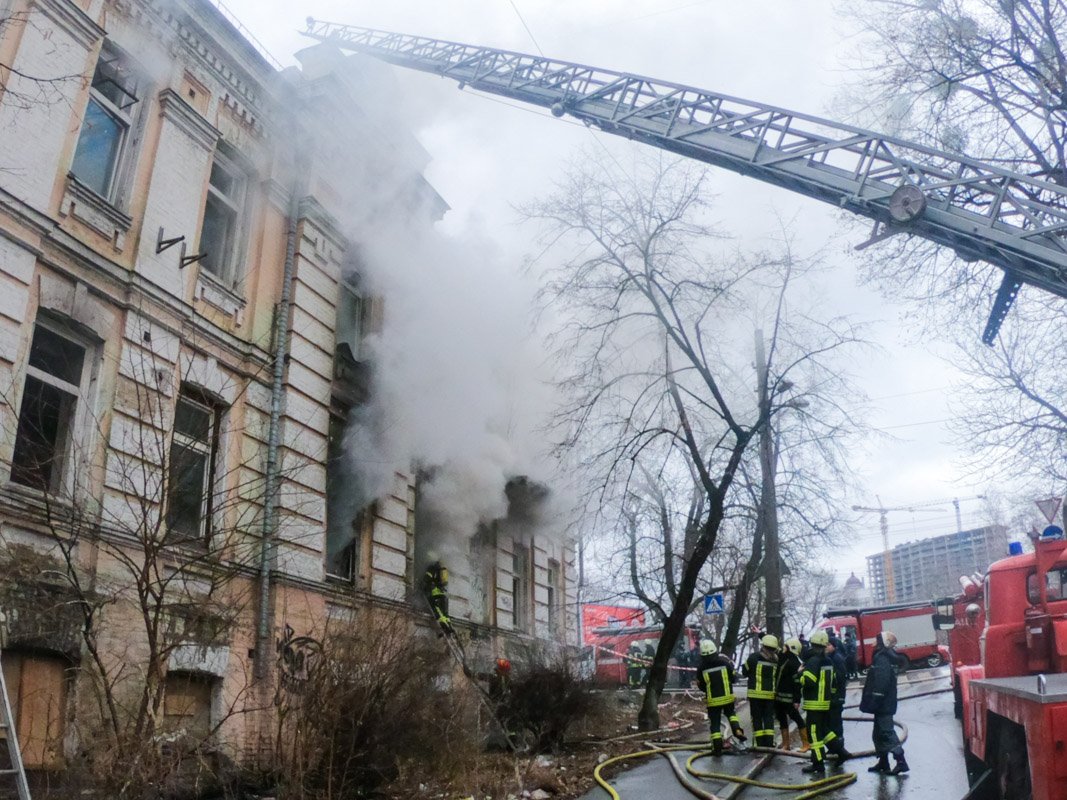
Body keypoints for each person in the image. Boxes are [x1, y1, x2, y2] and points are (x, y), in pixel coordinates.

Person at [799, 630, 853, 775]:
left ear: (813, 644)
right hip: (826, 703)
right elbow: (834, 680)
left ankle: (818, 764)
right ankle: (842, 752)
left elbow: (809, 681)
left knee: (814, 735)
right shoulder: (829, 661)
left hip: (814, 704)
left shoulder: (813, 661)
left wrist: (800, 675)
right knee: (824, 731)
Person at [860, 631, 910, 775]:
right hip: (884, 703)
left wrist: (875, 700)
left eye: (876, 640)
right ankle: (883, 762)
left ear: (883, 643)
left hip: (883, 704)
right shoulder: (885, 656)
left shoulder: (882, 658)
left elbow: (881, 682)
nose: (873, 643)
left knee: (887, 733)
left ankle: (901, 762)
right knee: (878, 734)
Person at [695, 639, 746, 755]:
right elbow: (733, 678)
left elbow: (701, 685)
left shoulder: (701, 668)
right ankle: (737, 730)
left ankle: (717, 747)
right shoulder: (725, 663)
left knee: (715, 722)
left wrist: (707, 690)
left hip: (713, 700)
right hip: (727, 697)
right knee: (731, 715)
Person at [743, 634, 780, 748]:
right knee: (769, 718)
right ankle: (769, 743)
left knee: (757, 718)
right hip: (770, 695)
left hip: (756, 695)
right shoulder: (776, 660)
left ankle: (759, 744)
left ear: (763, 645)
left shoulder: (754, 657)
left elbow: (745, 671)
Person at [774, 638, 810, 752]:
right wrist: (761, 634)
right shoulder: (784, 658)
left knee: (797, 719)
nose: (783, 648)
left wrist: (797, 700)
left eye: (786, 646)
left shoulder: (795, 664)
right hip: (779, 697)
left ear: (790, 649)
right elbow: (775, 648)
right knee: (782, 720)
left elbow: (797, 684)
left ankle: (806, 743)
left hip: (789, 699)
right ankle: (786, 744)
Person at [826, 636, 849, 749]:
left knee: (836, 724)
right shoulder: (830, 657)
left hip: (836, 697)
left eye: (828, 645)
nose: (826, 647)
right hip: (832, 697)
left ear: (834, 646)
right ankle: (834, 748)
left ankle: (839, 748)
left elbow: (840, 678)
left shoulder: (837, 659)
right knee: (831, 723)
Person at [422, 560, 454, 636]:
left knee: (438, 611)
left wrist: (424, 586)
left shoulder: (432, 569)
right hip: (443, 594)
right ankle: (449, 625)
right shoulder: (443, 570)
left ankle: (444, 627)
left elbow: (427, 579)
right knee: (445, 613)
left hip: (435, 594)